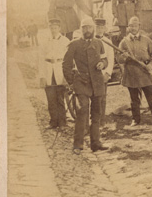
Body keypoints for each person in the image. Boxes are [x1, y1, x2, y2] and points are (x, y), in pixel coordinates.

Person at [62, 17, 109, 154]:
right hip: (81, 83)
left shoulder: (99, 43)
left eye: (89, 27)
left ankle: (96, 143)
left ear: (93, 29)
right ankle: (78, 145)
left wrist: (103, 64)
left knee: (96, 114)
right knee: (82, 112)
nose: (87, 30)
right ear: (80, 29)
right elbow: (66, 65)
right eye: (84, 27)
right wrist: (72, 82)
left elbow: (105, 59)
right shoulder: (74, 44)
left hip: (97, 83)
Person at [118, 16, 152, 128]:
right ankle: (136, 119)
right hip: (132, 73)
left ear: (139, 26)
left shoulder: (147, 40)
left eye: (135, 25)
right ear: (128, 27)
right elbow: (118, 59)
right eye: (131, 26)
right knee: (134, 99)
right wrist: (123, 57)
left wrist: (151, 65)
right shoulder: (124, 42)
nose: (133, 28)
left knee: (151, 97)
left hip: (145, 72)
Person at [38, 18, 70, 129]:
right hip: (48, 71)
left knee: (60, 98)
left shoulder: (65, 41)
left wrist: (67, 76)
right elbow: (41, 59)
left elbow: (68, 60)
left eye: (55, 28)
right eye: (51, 27)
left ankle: (62, 122)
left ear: (59, 28)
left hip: (59, 70)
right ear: (49, 28)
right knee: (51, 99)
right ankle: (53, 122)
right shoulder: (45, 41)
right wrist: (42, 76)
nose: (53, 30)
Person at [93, 18, 115, 124]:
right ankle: (93, 119)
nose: (99, 30)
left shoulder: (108, 41)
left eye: (101, 27)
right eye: (97, 27)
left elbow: (111, 59)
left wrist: (108, 73)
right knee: (92, 97)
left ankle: (101, 119)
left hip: (103, 73)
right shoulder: (90, 40)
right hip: (92, 74)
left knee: (102, 97)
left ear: (104, 28)